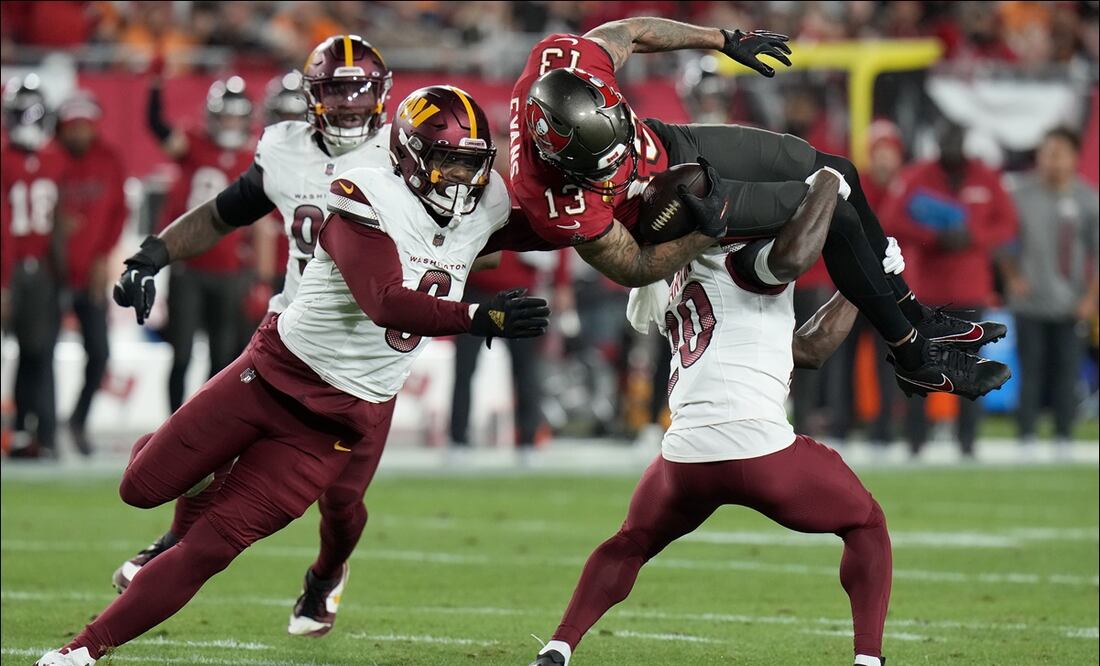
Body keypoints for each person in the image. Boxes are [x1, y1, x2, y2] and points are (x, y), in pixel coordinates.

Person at [35, 85, 550, 666]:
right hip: (273, 371)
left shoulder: (482, 204)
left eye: (469, 162)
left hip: (337, 420)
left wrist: (632, 196)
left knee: (215, 547)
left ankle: (79, 653)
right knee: (140, 487)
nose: (460, 177)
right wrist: (477, 314)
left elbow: (566, 224)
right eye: (446, 160)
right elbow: (384, 301)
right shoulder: (363, 191)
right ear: (406, 154)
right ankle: (206, 478)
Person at [509, 17, 1011, 401]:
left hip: (669, 146)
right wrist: (703, 234)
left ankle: (912, 315)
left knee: (839, 171)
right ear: (560, 160)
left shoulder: (567, 60)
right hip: (668, 211)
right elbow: (637, 266)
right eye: (602, 163)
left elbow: (633, 31)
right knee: (828, 202)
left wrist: (723, 39)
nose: (617, 160)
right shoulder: (551, 201)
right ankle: (913, 353)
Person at [530, 168, 892, 666]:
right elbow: (790, 257)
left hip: (684, 461)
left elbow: (806, 349)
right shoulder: (739, 259)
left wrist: (858, 286)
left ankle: (558, 648)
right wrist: (829, 182)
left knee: (630, 542)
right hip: (762, 452)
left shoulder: (666, 275)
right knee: (867, 522)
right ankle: (869, 659)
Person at [108, 35, 398, 639]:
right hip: (286, 340)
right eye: (334, 91)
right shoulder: (287, 150)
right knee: (210, 450)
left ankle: (325, 575)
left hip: (366, 360)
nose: (347, 104)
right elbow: (222, 213)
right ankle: (172, 543)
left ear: (382, 96)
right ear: (312, 98)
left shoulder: (406, 154)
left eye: (359, 90)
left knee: (341, 501)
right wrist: (152, 253)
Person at [881, 119, 1019, 458]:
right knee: (918, 365)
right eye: (945, 138)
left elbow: (1008, 223)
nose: (951, 144)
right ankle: (915, 442)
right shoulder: (916, 176)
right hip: (928, 292)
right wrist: (934, 237)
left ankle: (968, 443)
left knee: (972, 368)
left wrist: (974, 238)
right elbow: (891, 218)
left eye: (956, 138)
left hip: (971, 290)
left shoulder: (986, 177)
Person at [147, 71, 254, 414]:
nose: (231, 122)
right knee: (180, 352)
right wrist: (155, 86)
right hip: (189, 266)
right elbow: (158, 127)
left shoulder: (254, 158)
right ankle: (171, 425)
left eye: (237, 116)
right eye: (225, 115)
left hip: (229, 271)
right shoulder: (194, 144)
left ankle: (203, 428)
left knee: (223, 358)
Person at [1002, 127, 1099, 450]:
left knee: (1066, 371)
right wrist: (1012, 276)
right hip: (1029, 300)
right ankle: (1026, 435)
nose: (1052, 161)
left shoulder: (1088, 199)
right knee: (1030, 370)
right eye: (1046, 153)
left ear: (1073, 157)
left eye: (1058, 153)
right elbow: (1003, 242)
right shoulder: (1019, 194)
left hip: (1071, 302)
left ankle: (1064, 436)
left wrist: (1090, 297)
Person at [55, 90, 127, 456]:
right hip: (52, 272)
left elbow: (119, 212)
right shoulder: (50, 157)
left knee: (99, 352)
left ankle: (78, 421)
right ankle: (41, 427)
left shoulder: (109, 159)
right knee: (38, 351)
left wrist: (104, 255)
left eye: (85, 126)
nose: (80, 133)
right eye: (73, 126)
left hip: (92, 274)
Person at [1, 73, 67, 459]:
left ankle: (32, 433)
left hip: (40, 269)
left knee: (36, 352)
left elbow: (60, 221)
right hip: (14, 271)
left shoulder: (55, 157)